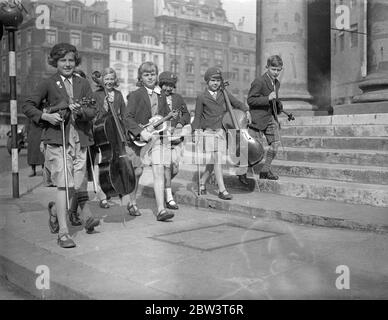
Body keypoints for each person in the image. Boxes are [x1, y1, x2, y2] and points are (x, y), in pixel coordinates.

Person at [22, 43, 100, 249]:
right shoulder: (48, 83)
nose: (67, 64)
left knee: (74, 186)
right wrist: (46, 116)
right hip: (57, 140)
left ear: (76, 62)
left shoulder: (83, 83)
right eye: (63, 60)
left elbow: (93, 110)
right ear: (55, 62)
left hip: (80, 140)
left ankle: (55, 211)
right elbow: (28, 105)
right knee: (64, 185)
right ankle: (64, 233)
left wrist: (80, 112)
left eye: (71, 60)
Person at [122, 61, 174, 221]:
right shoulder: (136, 95)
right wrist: (140, 132)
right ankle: (132, 201)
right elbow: (127, 117)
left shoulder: (162, 96)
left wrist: (167, 127)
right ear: (140, 77)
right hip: (139, 140)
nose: (150, 77)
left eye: (152, 74)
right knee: (137, 173)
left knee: (158, 172)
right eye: (146, 74)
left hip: (157, 139)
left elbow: (165, 116)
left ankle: (160, 210)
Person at [191, 67, 250, 200]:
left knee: (213, 162)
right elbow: (198, 117)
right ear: (207, 81)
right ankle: (222, 190)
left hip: (221, 132)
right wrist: (194, 131)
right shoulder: (201, 97)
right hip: (209, 132)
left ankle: (201, 182)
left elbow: (237, 103)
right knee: (217, 159)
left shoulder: (224, 94)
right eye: (213, 80)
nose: (215, 83)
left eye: (218, 80)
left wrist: (246, 110)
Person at [91, 67, 126, 209]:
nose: (109, 82)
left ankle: (114, 186)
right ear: (102, 81)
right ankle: (101, 194)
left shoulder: (118, 94)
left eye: (112, 79)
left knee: (115, 160)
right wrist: (105, 104)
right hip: (102, 132)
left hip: (115, 132)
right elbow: (95, 114)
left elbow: (123, 112)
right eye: (107, 79)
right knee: (101, 162)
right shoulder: (96, 94)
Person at [247, 55, 284, 180]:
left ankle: (265, 170)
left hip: (270, 119)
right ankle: (242, 174)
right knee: (252, 150)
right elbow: (251, 100)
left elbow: (273, 98)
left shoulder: (276, 83)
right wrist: (267, 98)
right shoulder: (259, 81)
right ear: (267, 67)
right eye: (273, 69)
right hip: (257, 119)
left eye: (279, 70)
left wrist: (278, 105)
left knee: (275, 144)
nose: (276, 72)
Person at [158, 71, 190, 210]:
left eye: (171, 85)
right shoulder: (157, 98)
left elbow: (187, 114)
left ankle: (162, 187)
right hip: (162, 137)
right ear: (161, 85)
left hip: (176, 137)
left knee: (175, 169)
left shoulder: (178, 98)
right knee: (166, 167)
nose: (168, 88)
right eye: (166, 85)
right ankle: (169, 197)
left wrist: (180, 123)